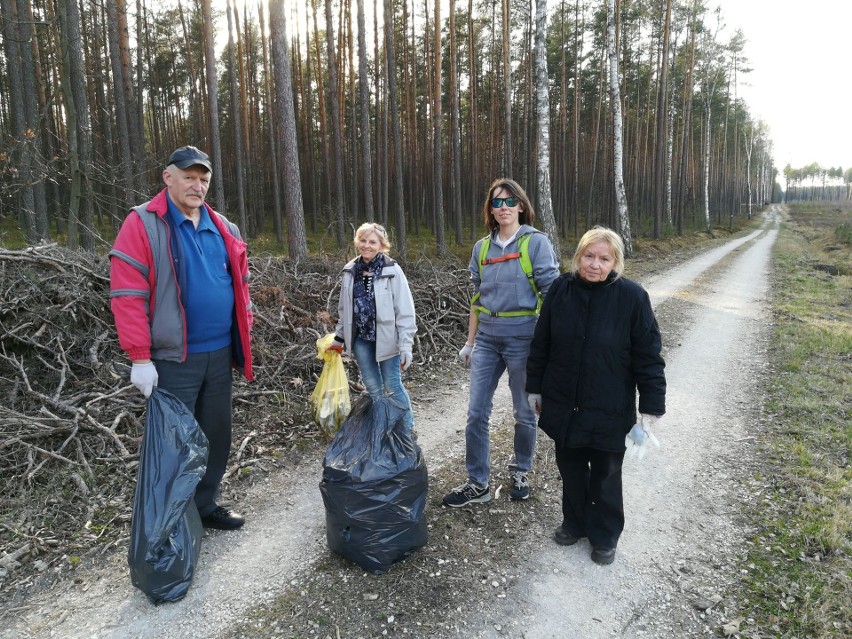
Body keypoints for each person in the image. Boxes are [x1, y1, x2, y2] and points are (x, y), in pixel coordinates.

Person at [109, 145, 254, 531]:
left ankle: (204, 507)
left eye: (203, 179)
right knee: (173, 444)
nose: (197, 185)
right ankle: (171, 521)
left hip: (220, 354)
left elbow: (242, 286)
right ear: (168, 177)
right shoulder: (142, 223)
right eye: (189, 177)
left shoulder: (224, 227)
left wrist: (245, 334)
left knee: (215, 435)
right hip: (174, 359)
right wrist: (140, 358)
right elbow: (127, 295)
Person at [525, 226, 666, 565]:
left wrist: (651, 406)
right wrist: (534, 386)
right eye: (589, 256)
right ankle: (574, 523)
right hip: (563, 401)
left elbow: (648, 355)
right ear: (578, 257)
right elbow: (541, 341)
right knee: (571, 466)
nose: (594, 264)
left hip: (609, 405)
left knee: (605, 473)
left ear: (615, 262)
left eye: (604, 258)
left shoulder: (632, 297)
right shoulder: (561, 289)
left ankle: (604, 535)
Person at [442, 178, 560, 507]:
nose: (503, 207)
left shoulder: (536, 243)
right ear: (490, 210)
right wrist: (470, 341)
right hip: (487, 339)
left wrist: (550, 346)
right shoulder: (482, 248)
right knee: (476, 413)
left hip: (524, 335)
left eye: (510, 201)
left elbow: (552, 296)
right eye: (497, 203)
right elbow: (477, 299)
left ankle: (521, 471)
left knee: (524, 412)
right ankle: (477, 483)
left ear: (521, 205)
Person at [328, 223, 416, 428]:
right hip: (361, 341)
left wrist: (405, 345)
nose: (366, 245)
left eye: (372, 242)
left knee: (392, 385)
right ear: (357, 242)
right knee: (374, 389)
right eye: (363, 240)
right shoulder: (350, 271)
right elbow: (344, 309)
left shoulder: (392, 270)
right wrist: (339, 338)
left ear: (382, 245)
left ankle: (407, 430)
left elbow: (405, 310)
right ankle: (384, 429)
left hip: (388, 340)